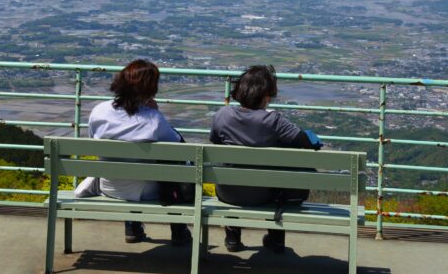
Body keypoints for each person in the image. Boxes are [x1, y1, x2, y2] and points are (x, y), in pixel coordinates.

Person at [209, 65, 318, 254]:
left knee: (235, 172)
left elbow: (215, 142)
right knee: (279, 179)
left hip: (227, 192)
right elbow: (308, 142)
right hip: (263, 194)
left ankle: (233, 236)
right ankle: (276, 239)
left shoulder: (222, 115)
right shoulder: (274, 120)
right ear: (266, 96)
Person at [87, 59, 192, 246]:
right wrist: (156, 112)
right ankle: (178, 228)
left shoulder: (98, 111)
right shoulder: (153, 120)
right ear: (150, 90)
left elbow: (92, 139)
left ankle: (132, 226)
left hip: (110, 187)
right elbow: (181, 149)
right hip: (146, 192)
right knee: (172, 166)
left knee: (131, 167)